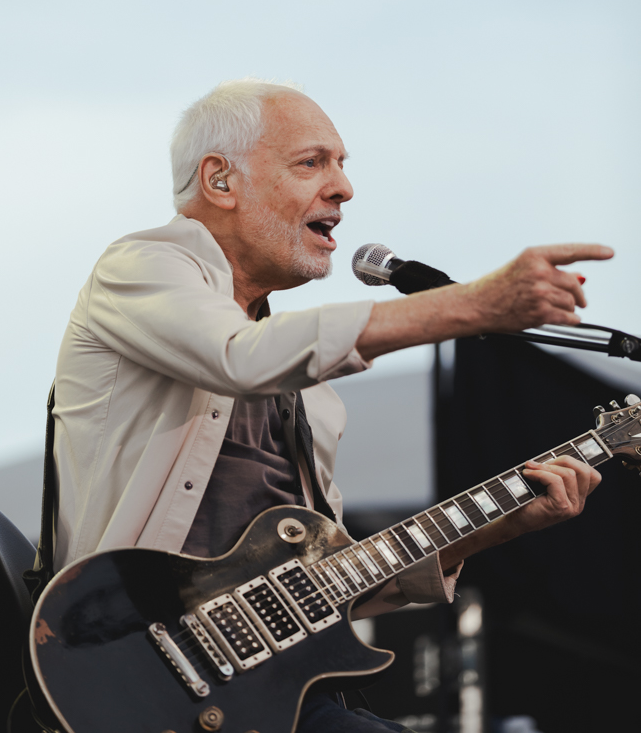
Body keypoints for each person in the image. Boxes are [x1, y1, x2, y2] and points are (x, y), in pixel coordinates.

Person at [53, 78, 610, 732]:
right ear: (220, 181)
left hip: (262, 698)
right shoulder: (142, 265)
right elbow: (238, 357)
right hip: (123, 671)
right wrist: (473, 304)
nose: (343, 188)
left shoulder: (310, 393)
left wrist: (504, 525)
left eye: (342, 165)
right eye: (312, 162)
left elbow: (330, 586)